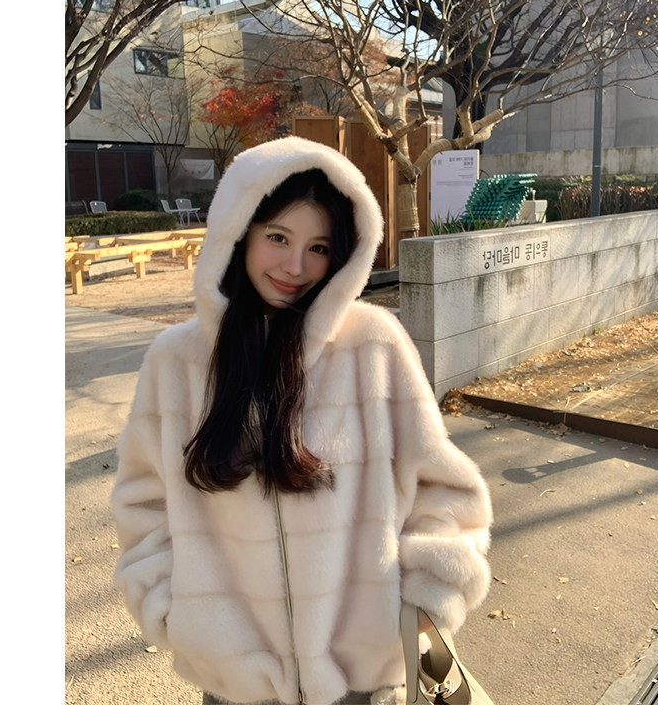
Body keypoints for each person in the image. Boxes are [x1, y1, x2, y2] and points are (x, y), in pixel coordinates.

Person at [111, 136, 493, 705]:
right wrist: (174, 611)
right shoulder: (177, 363)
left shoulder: (373, 345)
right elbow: (143, 503)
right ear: (239, 234)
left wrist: (425, 596)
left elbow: (444, 489)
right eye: (278, 238)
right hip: (236, 686)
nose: (295, 267)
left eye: (318, 247)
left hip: (364, 679)